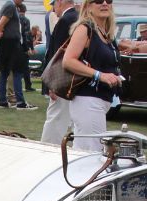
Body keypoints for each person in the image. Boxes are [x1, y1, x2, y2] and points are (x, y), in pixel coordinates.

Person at [61, 0, 124, 149]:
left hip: (100, 100)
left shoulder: (105, 33)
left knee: (87, 151)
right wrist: (99, 75)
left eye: (108, 0)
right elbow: (68, 61)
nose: (104, 4)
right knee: (91, 154)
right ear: (88, 6)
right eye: (98, 1)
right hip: (88, 100)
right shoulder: (85, 29)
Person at [39, 0, 78, 142]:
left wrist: (52, 84)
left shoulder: (65, 21)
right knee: (72, 118)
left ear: (61, 2)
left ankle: (47, 148)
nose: (53, 9)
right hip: (73, 79)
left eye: (54, 5)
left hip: (62, 79)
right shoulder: (78, 17)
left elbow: (58, 54)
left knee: (56, 116)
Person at [0, 0, 33, 108]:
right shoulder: (10, 6)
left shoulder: (8, 5)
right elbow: (0, 24)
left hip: (6, 43)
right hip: (11, 44)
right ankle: (20, 102)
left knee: (4, 72)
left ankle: (2, 101)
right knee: (18, 71)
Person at [16, 1, 34, 90]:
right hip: (23, 47)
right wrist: (30, 48)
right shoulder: (26, 20)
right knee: (25, 67)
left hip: (16, 45)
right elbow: (27, 35)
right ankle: (28, 85)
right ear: (25, 10)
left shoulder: (15, 18)